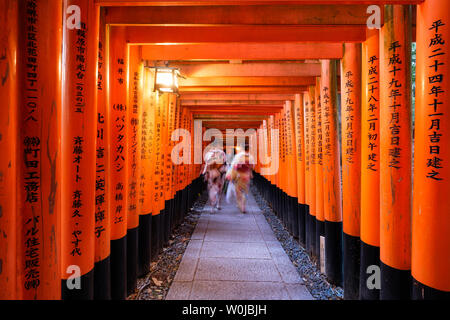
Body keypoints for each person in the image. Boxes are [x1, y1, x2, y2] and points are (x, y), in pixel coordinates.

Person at [226, 146, 255, 213]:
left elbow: (233, 166)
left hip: (239, 175)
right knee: (244, 191)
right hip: (246, 176)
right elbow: (252, 166)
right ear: (248, 149)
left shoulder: (238, 156)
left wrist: (231, 176)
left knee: (238, 192)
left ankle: (241, 206)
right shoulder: (250, 156)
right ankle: (243, 205)